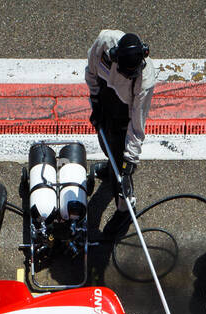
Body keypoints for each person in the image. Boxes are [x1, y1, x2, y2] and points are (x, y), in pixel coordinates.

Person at [84, 30, 156, 204]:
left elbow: (137, 123)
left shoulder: (145, 82)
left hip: (125, 111)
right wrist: (95, 100)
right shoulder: (104, 42)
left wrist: (130, 159)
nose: (131, 75)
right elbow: (92, 71)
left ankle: (124, 209)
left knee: (120, 162)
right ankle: (111, 168)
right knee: (104, 141)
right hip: (105, 96)